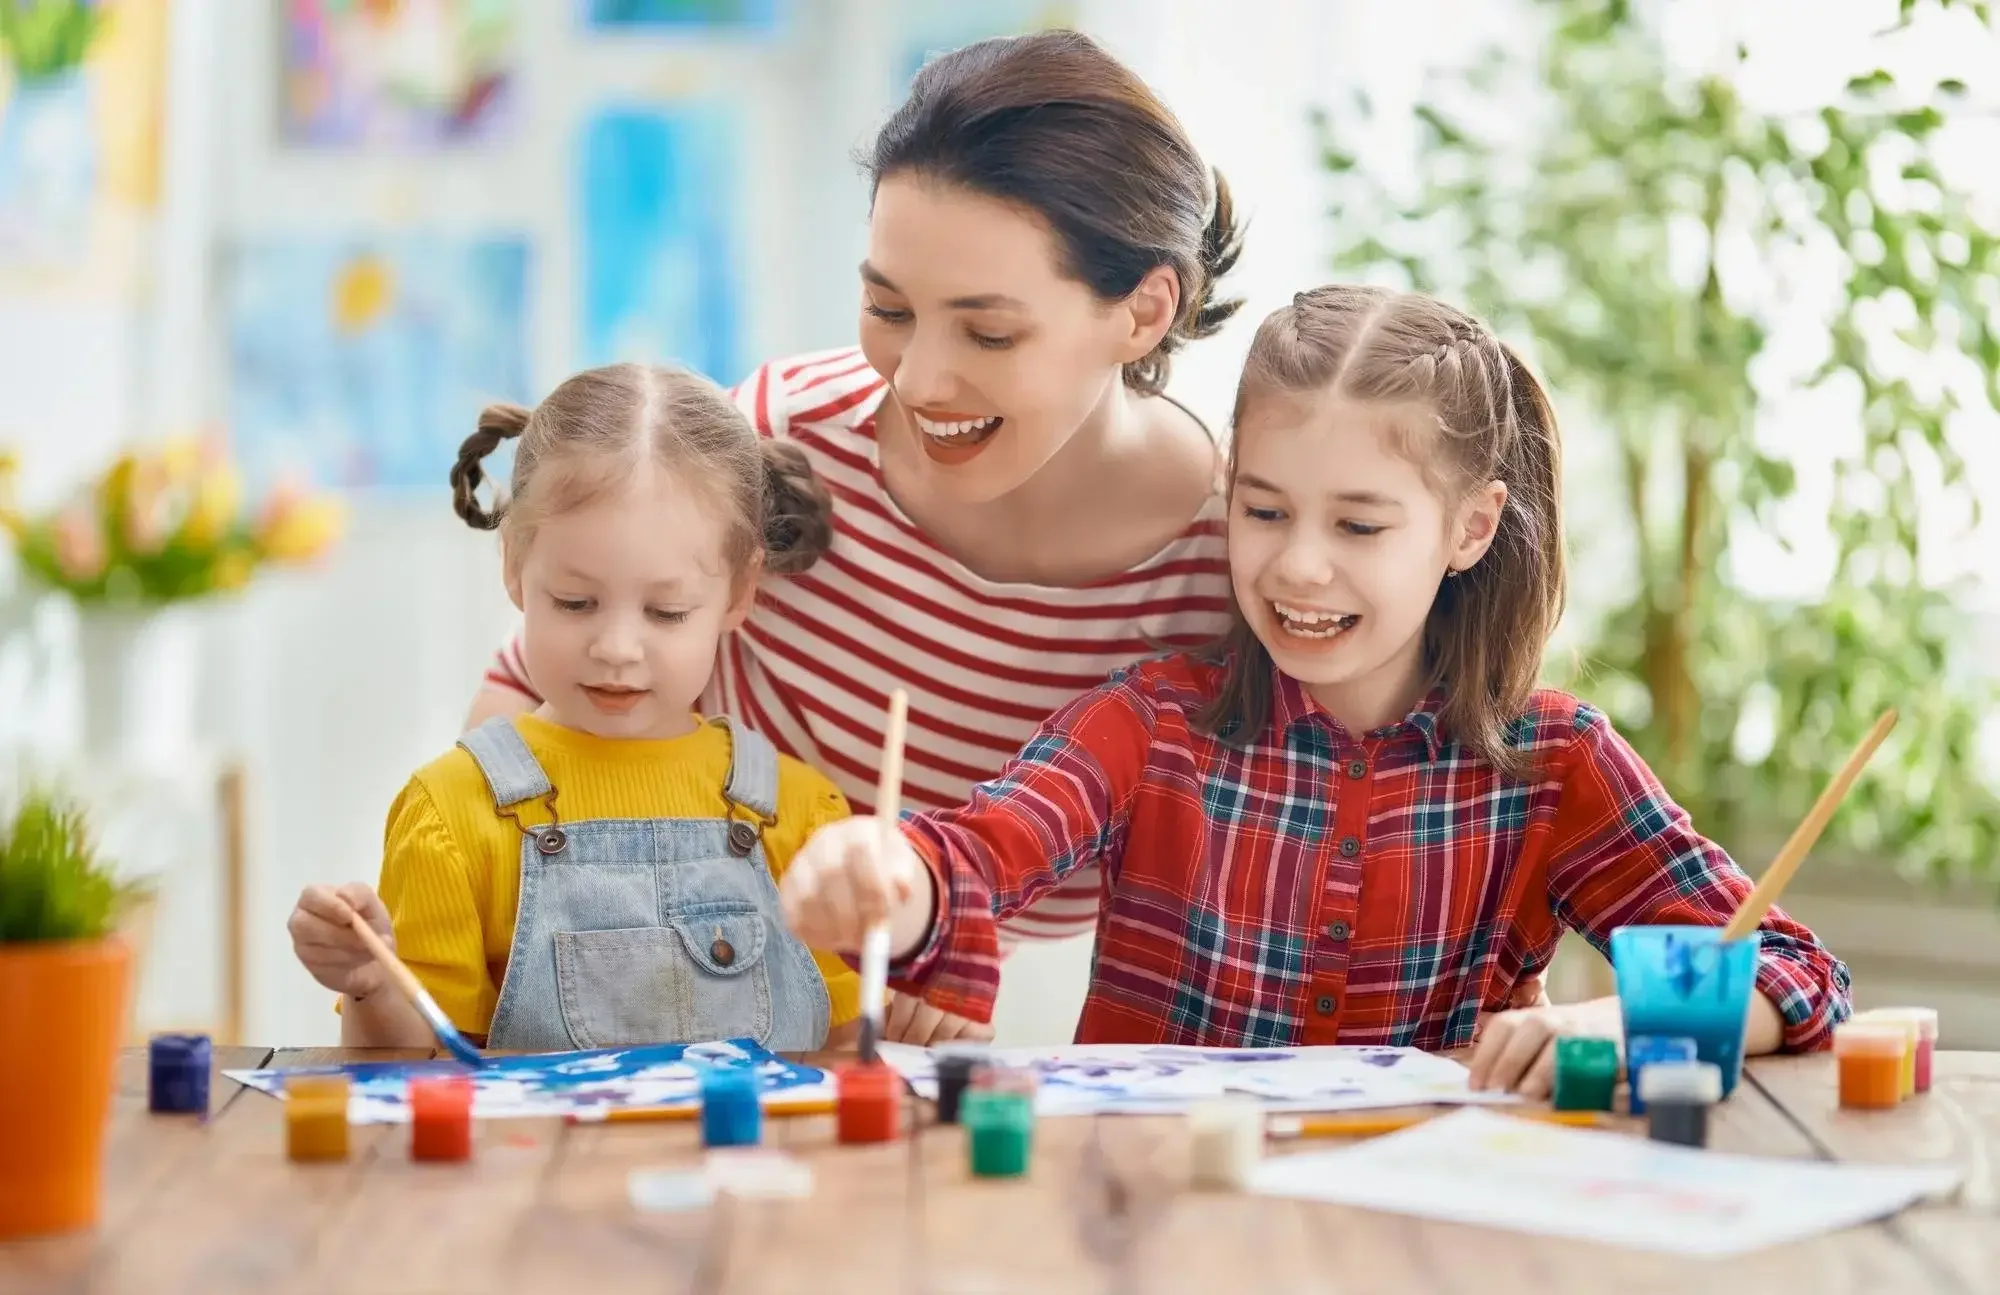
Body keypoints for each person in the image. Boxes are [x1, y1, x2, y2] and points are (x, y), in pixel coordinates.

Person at [774, 285, 1853, 1094]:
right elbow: (976, 850)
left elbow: (1793, 972)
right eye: (1264, 509)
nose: (1296, 566)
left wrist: (1620, 1026)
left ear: (1468, 527)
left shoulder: (1550, 760)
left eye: (1358, 524)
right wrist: (890, 872)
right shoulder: (1153, 721)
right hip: (1157, 1226)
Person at [460, 30, 1248, 1044]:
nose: (916, 380)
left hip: (987, 1053)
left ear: (1143, 310)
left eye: (988, 332)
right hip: (655, 996)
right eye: (886, 306)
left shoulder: (1224, 569)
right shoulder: (787, 431)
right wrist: (464, 907)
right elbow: (536, 679)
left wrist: (942, 939)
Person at [287, 363, 862, 1052]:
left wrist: (925, 1004)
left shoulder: (808, 818)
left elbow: (852, 1058)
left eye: (667, 610)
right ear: (514, 567)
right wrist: (367, 981)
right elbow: (408, 1067)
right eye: (575, 602)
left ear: (740, 593)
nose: (617, 647)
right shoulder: (449, 813)